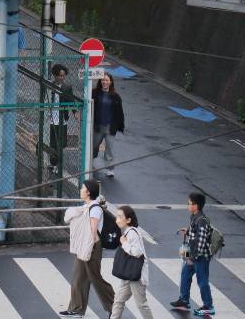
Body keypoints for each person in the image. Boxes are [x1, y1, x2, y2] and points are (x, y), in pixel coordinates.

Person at [61, 179, 114, 317]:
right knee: (78, 277)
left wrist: (89, 246)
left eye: (82, 188)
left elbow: (93, 232)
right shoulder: (88, 207)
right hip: (84, 245)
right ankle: (77, 309)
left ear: (88, 192)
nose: (80, 190)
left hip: (91, 247)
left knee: (96, 279)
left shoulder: (95, 209)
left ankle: (115, 306)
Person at [170, 192, 216, 316]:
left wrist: (193, 258)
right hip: (193, 255)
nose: (188, 205)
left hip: (200, 257)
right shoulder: (195, 217)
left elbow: (201, 241)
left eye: (189, 203)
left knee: (202, 281)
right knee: (185, 274)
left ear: (196, 206)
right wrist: (188, 231)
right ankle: (184, 300)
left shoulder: (202, 221)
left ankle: (208, 306)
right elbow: (196, 234)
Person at [109, 205, 156, 319]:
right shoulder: (127, 232)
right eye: (117, 216)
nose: (117, 220)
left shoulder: (132, 233)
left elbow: (137, 252)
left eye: (120, 217)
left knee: (141, 305)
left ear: (128, 220)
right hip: (129, 274)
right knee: (118, 300)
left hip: (136, 275)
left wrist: (124, 243)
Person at [91, 74, 125, 178]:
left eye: (107, 80)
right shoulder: (94, 93)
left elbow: (120, 112)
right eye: (103, 80)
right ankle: (91, 161)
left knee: (110, 148)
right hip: (98, 126)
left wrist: (120, 125)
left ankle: (110, 168)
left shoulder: (116, 96)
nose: (104, 82)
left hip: (110, 127)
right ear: (100, 82)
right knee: (94, 145)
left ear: (111, 82)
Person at [48, 64, 72, 167]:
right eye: (60, 75)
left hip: (62, 118)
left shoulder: (67, 87)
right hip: (52, 118)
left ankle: (58, 164)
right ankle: (53, 163)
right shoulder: (50, 85)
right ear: (55, 75)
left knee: (61, 143)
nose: (62, 78)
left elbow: (70, 100)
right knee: (53, 143)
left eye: (63, 75)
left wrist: (75, 112)